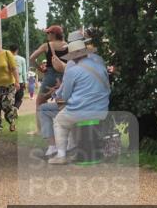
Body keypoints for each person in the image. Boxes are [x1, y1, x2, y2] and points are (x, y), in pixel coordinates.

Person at [43, 30, 110, 165]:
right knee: (70, 115)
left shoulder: (72, 70)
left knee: (60, 121)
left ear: (72, 55)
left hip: (83, 111)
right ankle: (75, 150)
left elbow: (65, 96)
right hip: (103, 109)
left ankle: (61, 155)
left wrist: (57, 95)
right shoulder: (99, 62)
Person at [29, 26, 68, 134]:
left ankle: (40, 129)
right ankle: (63, 128)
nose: (47, 35)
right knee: (61, 103)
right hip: (65, 76)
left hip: (50, 76)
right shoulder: (67, 45)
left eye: (48, 33)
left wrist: (39, 68)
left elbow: (32, 58)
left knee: (40, 102)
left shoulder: (47, 45)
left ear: (53, 34)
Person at [0, 35, 20, 132]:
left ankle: (12, 121)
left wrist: (17, 81)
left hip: (8, 85)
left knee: (7, 105)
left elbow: (14, 69)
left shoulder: (7, 53)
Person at [10, 44, 28, 111]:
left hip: (10, 82)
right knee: (19, 98)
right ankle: (16, 108)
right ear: (17, 50)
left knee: (11, 97)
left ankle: (11, 110)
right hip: (19, 81)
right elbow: (24, 72)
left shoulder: (8, 58)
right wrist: (25, 82)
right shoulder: (22, 59)